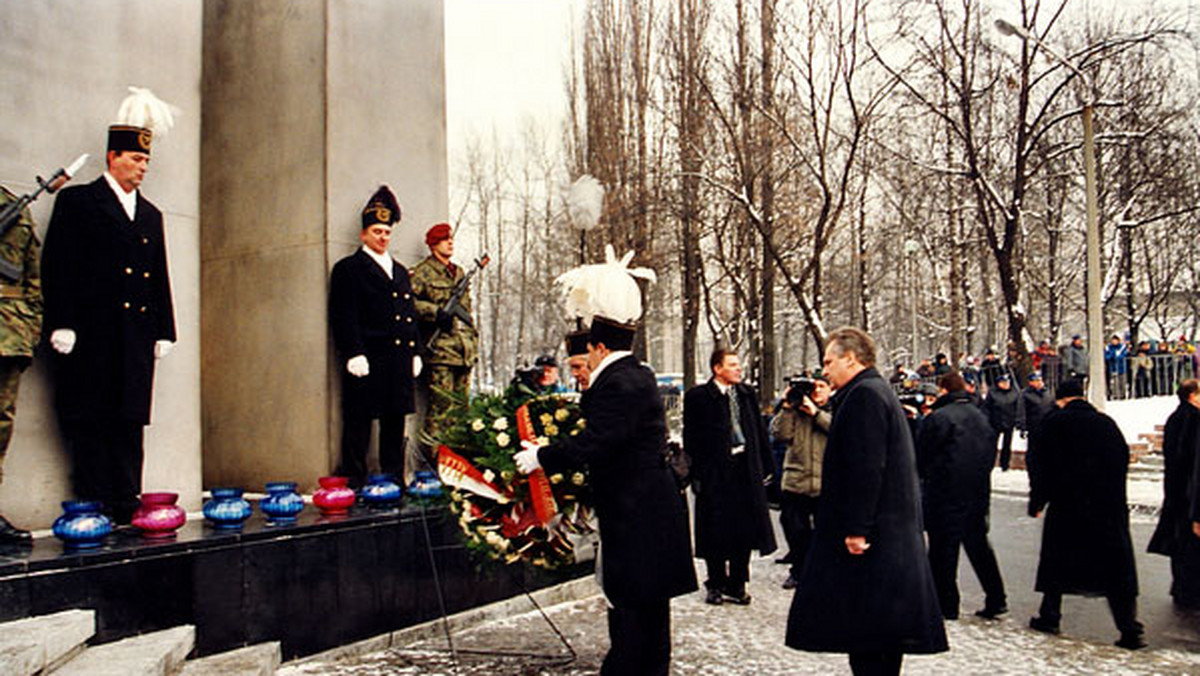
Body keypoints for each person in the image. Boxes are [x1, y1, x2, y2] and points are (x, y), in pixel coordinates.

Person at [514, 248, 696, 675]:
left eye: (585, 357)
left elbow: (597, 442)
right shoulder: (632, 375)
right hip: (644, 515)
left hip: (639, 518)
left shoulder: (619, 381)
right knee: (644, 614)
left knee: (636, 615)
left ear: (598, 347)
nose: (583, 368)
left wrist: (541, 456)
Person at [42, 92, 177, 525]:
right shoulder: (79, 202)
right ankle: (93, 508)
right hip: (92, 336)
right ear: (112, 156)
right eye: (135, 158)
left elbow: (158, 274)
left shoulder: (151, 215)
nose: (142, 167)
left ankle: (125, 505)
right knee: (90, 421)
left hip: (134, 337)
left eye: (146, 161)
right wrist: (61, 321)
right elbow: (58, 265)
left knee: (129, 422)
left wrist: (164, 329)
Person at [786, 327, 946, 676]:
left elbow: (865, 467)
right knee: (877, 640)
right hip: (886, 539)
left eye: (829, 361)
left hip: (873, 543)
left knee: (871, 643)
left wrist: (856, 529)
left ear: (851, 358)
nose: (824, 370)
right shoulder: (874, 392)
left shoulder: (865, 397)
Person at [1026, 378, 1145, 649]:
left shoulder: (1054, 423)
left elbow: (1040, 466)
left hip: (1068, 506)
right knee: (1116, 569)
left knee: (1056, 562)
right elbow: (1121, 459)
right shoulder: (1107, 424)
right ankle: (1129, 628)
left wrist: (1037, 502)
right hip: (1108, 509)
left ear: (1062, 400)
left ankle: (1050, 616)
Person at [328, 186, 421, 488]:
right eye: (377, 231)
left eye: (387, 232)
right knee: (359, 422)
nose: (383, 237)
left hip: (398, 359)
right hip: (368, 358)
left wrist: (416, 351)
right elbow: (344, 314)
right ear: (363, 234)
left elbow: (410, 315)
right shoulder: (349, 269)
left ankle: (393, 479)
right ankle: (354, 480)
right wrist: (353, 351)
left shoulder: (401, 271)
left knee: (395, 423)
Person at [685, 348, 777, 606]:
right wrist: (695, 474)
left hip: (744, 470)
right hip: (715, 472)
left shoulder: (746, 395)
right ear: (717, 368)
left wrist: (767, 466)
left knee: (743, 529)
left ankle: (737, 583)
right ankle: (715, 582)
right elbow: (692, 437)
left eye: (739, 364)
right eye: (732, 364)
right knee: (715, 528)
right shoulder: (700, 398)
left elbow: (759, 432)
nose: (738, 368)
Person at [916, 372, 1007, 621]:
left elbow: (921, 456)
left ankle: (947, 605)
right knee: (979, 548)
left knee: (943, 552)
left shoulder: (939, 418)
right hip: (977, 492)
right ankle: (996, 597)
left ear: (943, 390)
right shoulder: (981, 417)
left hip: (945, 493)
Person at [411, 224, 478, 456]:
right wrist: (434, 312)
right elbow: (409, 302)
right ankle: (434, 464)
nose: (450, 243)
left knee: (462, 410)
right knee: (441, 410)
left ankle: (460, 462)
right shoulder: (422, 273)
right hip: (440, 352)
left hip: (463, 351)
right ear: (432, 244)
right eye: (444, 239)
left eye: (451, 239)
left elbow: (467, 310)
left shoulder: (459, 273)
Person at [0, 187, 43, 543]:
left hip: (8, 332)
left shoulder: (15, 204)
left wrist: (30, 326)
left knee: (1, 424)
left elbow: (32, 279)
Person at [770, 376, 830, 590]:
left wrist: (816, 413)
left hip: (825, 481)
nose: (817, 391)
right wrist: (787, 407)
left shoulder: (836, 407)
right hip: (796, 479)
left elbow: (840, 432)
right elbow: (779, 434)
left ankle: (820, 570)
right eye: (814, 387)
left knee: (824, 531)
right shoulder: (794, 409)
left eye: (822, 386)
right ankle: (798, 570)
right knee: (795, 529)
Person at [1148, 379, 1200, 608]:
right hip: (1191, 491)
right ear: (1192, 396)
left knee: (1180, 543)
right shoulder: (1195, 420)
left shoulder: (1175, 418)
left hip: (1176, 489)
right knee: (1191, 545)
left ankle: (1181, 588)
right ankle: (1189, 592)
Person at [983, 373, 1019, 471]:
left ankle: (1005, 464)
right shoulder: (993, 393)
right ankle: (991, 463)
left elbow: (1017, 408)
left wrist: (1017, 420)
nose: (1006, 384)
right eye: (1003, 382)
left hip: (1009, 421)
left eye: (1007, 382)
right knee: (992, 445)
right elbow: (987, 407)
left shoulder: (1014, 393)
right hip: (995, 422)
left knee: (1007, 445)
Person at [1016, 371, 1053, 458]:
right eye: (1036, 380)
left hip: (1046, 425)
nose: (1039, 382)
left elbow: (1052, 406)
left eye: (1040, 380)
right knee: (1033, 449)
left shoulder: (1047, 392)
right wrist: (1022, 426)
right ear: (1031, 382)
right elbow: (1021, 411)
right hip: (1033, 425)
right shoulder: (1025, 394)